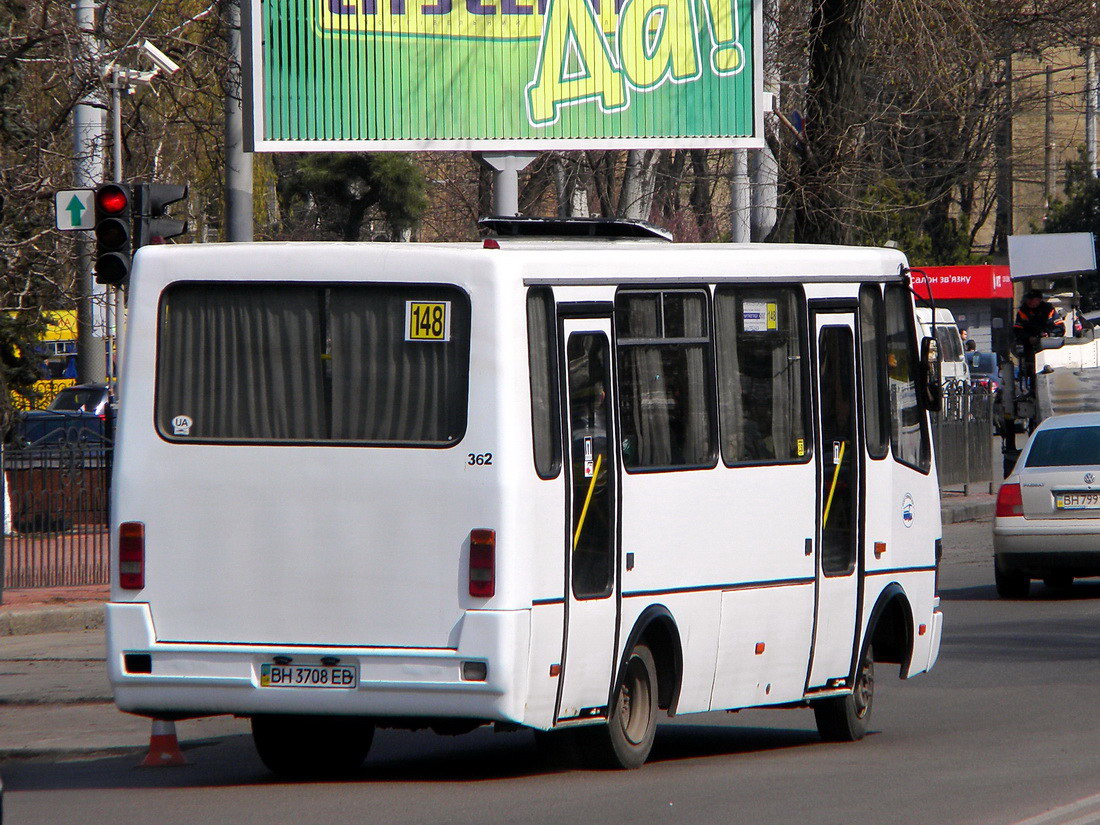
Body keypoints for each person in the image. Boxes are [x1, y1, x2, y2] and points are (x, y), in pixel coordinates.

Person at [1013, 288, 1065, 354]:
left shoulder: (1049, 310)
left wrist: (1049, 334)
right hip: (1030, 347)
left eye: (1031, 299)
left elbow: (1060, 327)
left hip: (1050, 346)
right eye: (1028, 299)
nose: (1029, 301)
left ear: (1039, 300)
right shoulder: (1023, 311)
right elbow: (1017, 330)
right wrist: (1029, 338)